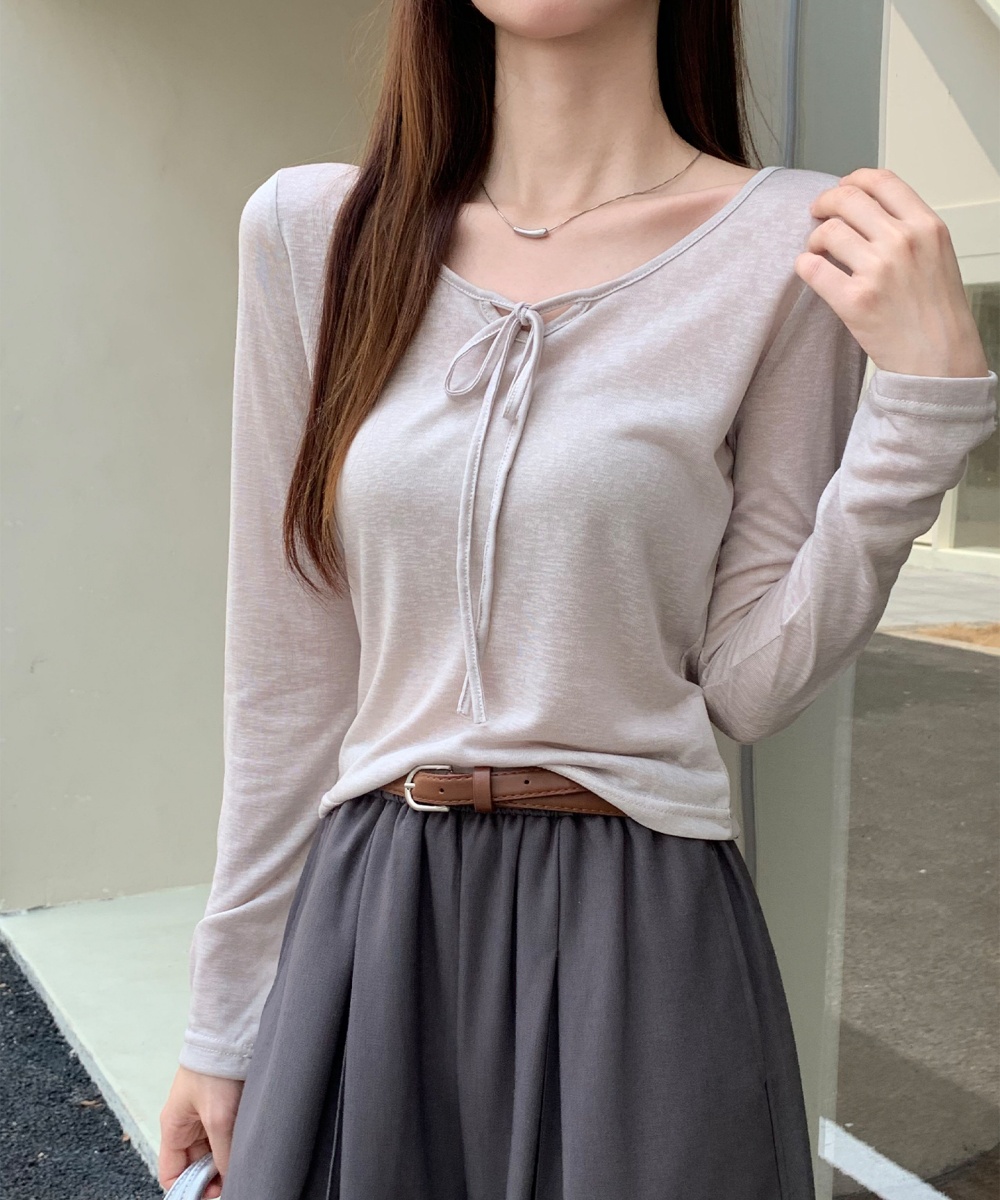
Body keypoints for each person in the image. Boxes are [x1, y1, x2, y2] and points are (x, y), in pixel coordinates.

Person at [158, 0, 998, 1197]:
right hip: (377, 918)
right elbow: (288, 674)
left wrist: (919, 414)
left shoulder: (790, 244)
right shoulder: (316, 231)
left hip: (640, 936)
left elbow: (748, 686)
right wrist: (225, 1021)